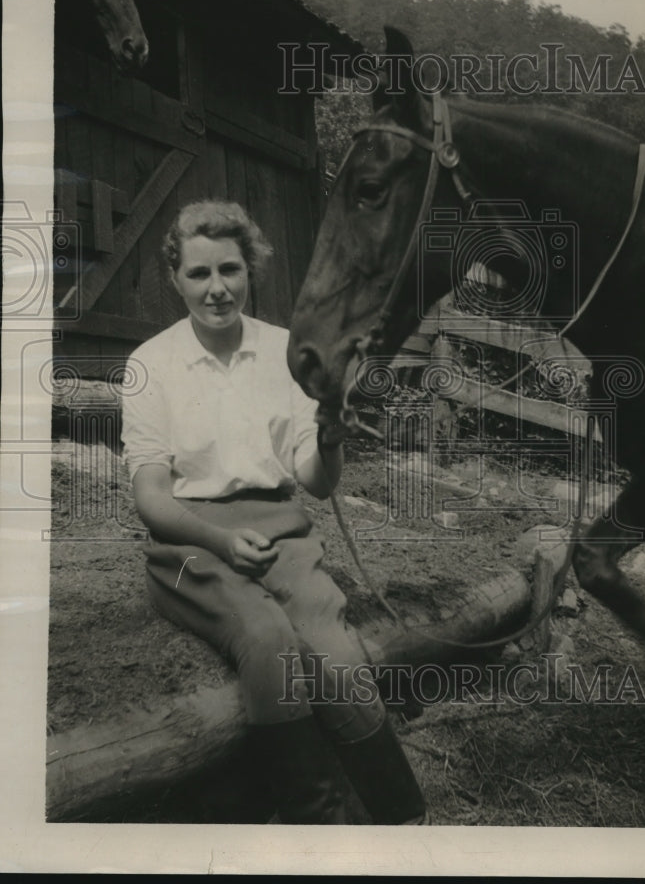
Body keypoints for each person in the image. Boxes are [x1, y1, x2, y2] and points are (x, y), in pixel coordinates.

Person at [121, 199, 428, 825]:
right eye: (199, 274)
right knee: (266, 641)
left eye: (229, 270)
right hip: (184, 555)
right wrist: (220, 541)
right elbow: (151, 498)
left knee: (333, 653)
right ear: (175, 278)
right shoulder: (149, 364)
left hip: (283, 536)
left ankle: (404, 819)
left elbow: (315, 482)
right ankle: (320, 824)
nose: (216, 289)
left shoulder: (287, 352)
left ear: (250, 270)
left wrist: (333, 435)